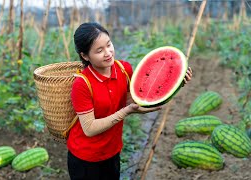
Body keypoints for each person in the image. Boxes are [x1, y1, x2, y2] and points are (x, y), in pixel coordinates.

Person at [67, 22, 193, 180]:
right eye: (99, 50)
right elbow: (89, 128)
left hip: (112, 152)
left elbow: (141, 99)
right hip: (85, 159)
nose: (108, 53)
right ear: (85, 56)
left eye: (109, 45)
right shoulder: (82, 84)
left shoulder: (123, 69)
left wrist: (177, 82)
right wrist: (125, 112)